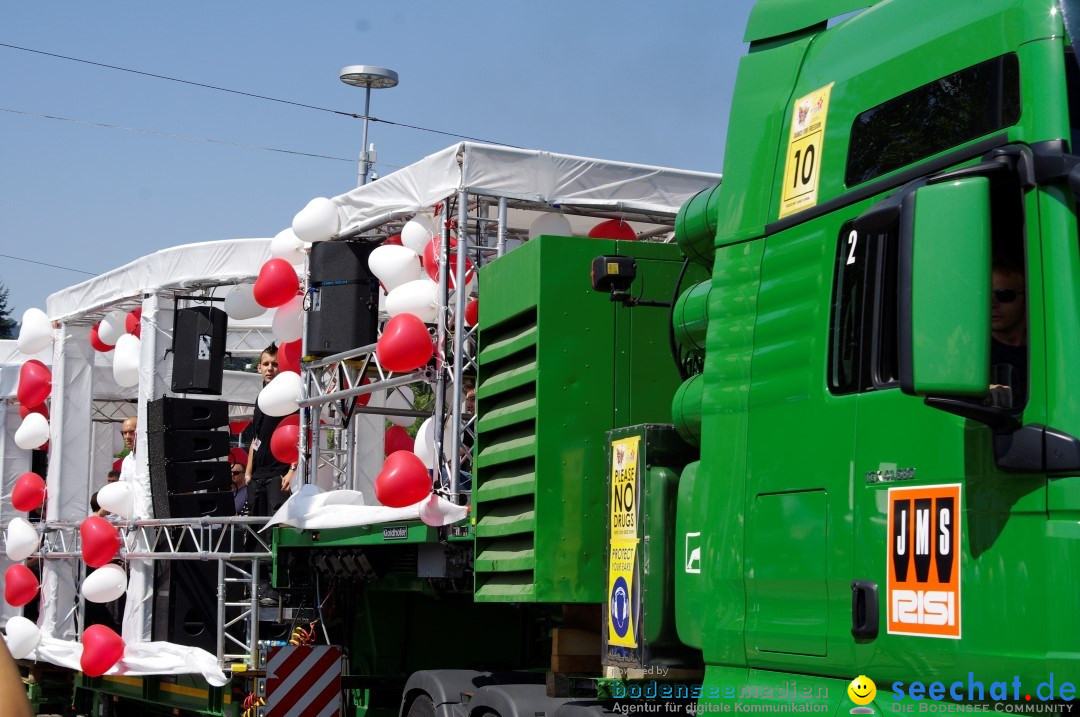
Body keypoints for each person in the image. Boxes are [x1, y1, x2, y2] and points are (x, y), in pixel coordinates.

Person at [243, 344, 296, 605]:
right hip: (258, 476)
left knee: (275, 530)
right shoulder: (260, 399)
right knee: (254, 528)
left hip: (279, 474)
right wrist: (249, 472)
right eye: (266, 364)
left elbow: (301, 434)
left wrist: (292, 470)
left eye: (274, 364)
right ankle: (257, 586)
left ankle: (277, 589)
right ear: (259, 368)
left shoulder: (289, 395)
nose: (270, 369)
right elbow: (256, 438)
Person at [990, 263, 1027, 408]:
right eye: (984, 294)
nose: (992, 303)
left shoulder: (1051, 349)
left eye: (1004, 295)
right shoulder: (969, 350)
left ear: (1026, 297)